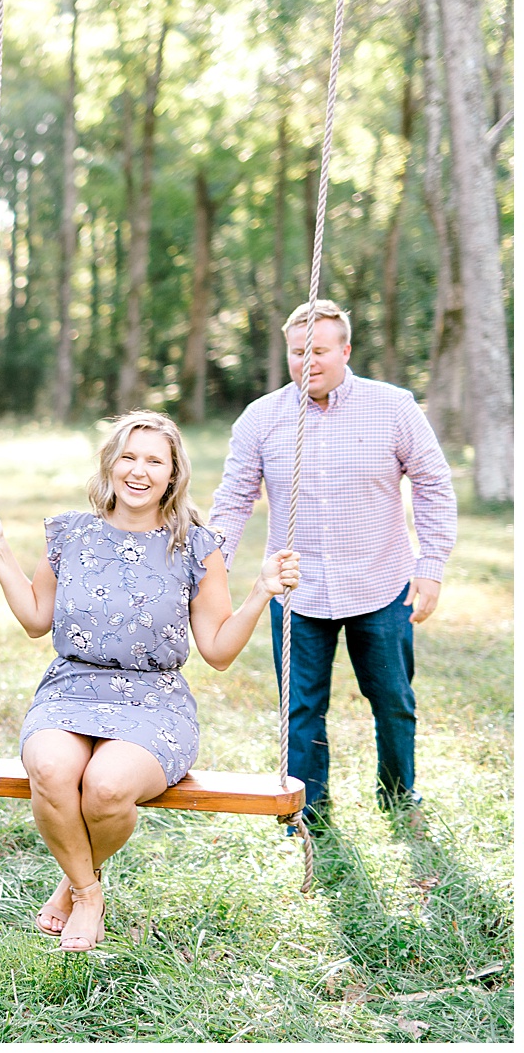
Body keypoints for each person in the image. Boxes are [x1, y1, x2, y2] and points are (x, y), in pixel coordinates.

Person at [0, 410, 299, 952]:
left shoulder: (196, 547)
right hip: (71, 689)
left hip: (154, 701)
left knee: (107, 788)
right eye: (128, 456)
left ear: (173, 475)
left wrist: (261, 591)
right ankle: (88, 892)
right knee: (51, 770)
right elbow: (34, 618)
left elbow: (217, 651)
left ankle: (71, 884)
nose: (139, 471)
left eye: (154, 460)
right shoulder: (71, 534)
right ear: (110, 465)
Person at [209, 299, 456, 832]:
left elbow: (434, 484)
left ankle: (397, 795)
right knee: (300, 710)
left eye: (319, 351)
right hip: (300, 593)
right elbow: (233, 499)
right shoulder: (262, 417)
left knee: (393, 701)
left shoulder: (392, 407)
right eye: (299, 352)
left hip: (382, 583)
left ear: (345, 350)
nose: (308, 361)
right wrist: (213, 568)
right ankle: (307, 811)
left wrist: (431, 565)